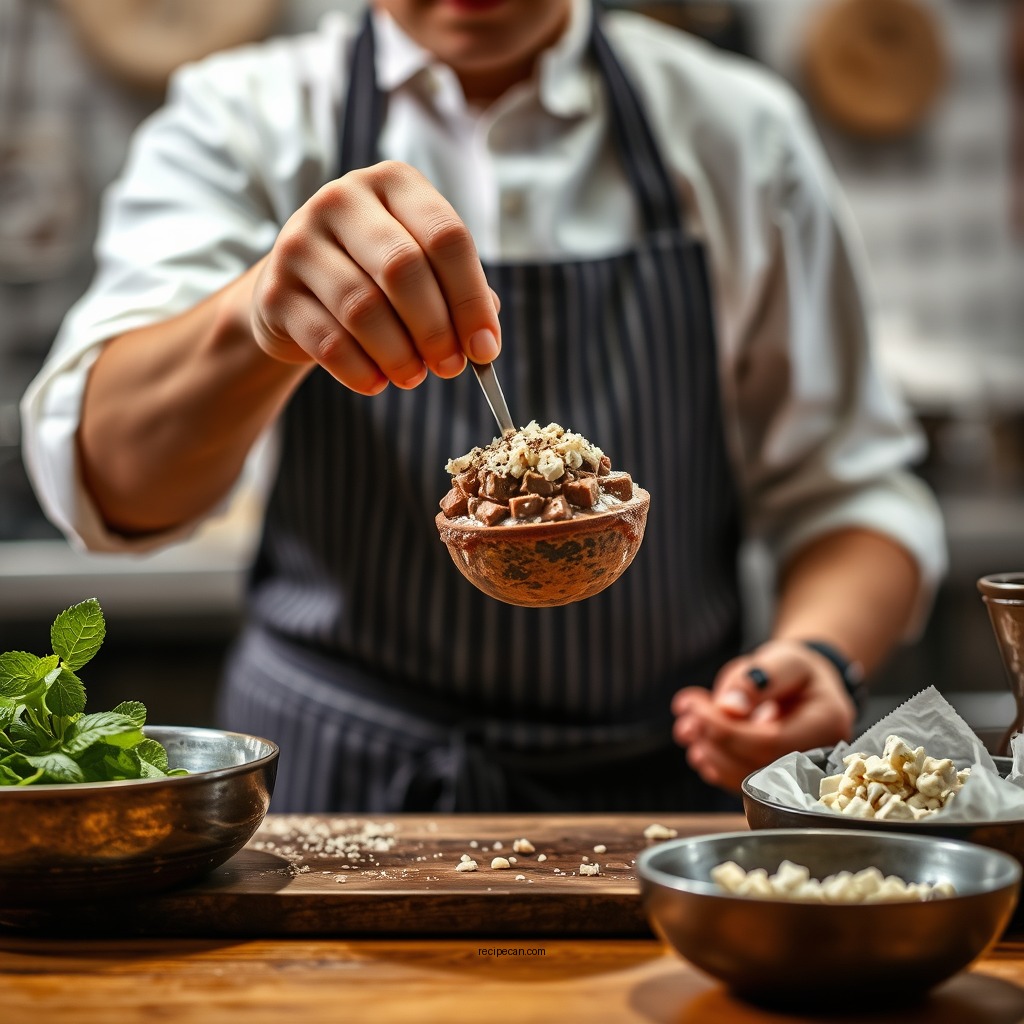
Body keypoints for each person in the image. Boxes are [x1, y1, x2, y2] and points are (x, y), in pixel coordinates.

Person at [21, 0, 945, 813]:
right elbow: (106, 481)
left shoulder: (736, 131)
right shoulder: (242, 119)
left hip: (657, 791)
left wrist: (819, 656)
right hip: (329, 800)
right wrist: (254, 317)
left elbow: (850, 494)